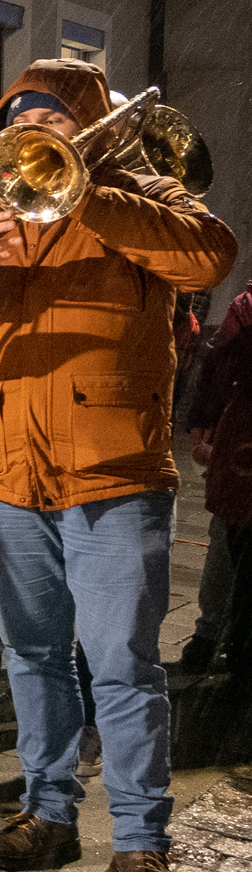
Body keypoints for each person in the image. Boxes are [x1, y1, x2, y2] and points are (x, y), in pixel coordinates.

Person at [0, 60, 236, 872]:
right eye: (22, 118)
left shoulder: (143, 195)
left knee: (124, 666)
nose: (37, 132)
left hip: (112, 475)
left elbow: (209, 256)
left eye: (54, 119)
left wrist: (85, 193)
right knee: (33, 657)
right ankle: (46, 814)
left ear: (89, 127)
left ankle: (139, 842)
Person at [186, 285, 252, 678]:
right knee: (227, 533)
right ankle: (211, 633)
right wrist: (201, 428)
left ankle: (222, 636)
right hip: (241, 439)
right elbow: (216, 373)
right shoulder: (245, 309)